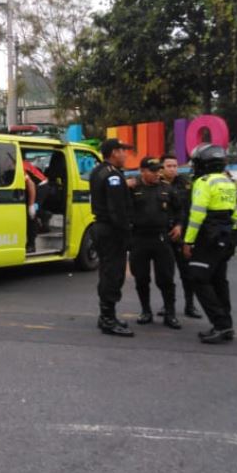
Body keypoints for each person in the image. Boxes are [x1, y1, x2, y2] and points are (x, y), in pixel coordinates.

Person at [182, 144, 237, 344]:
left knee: (197, 278)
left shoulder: (203, 182)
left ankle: (220, 325)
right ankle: (227, 325)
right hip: (226, 236)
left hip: (208, 237)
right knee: (218, 280)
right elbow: (235, 213)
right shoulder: (228, 182)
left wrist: (188, 241)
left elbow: (197, 215)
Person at [90, 138, 135, 337]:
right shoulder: (113, 176)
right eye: (122, 150)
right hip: (112, 231)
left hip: (103, 229)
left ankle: (107, 316)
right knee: (113, 275)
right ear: (114, 152)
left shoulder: (99, 171)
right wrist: (127, 233)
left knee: (107, 272)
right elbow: (117, 210)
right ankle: (108, 319)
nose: (125, 154)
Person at [130, 156, 180, 329]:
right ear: (142, 171)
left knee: (166, 278)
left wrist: (179, 225)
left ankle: (170, 313)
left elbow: (180, 210)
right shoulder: (133, 187)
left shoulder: (167, 188)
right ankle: (146, 311)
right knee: (141, 277)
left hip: (161, 238)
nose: (157, 174)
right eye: (152, 171)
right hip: (139, 238)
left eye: (158, 170)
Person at [160, 154, 200, 318]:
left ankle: (190, 305)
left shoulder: (185, 183)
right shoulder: (156, 184)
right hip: (163, 233)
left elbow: (191, 208)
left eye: (175, 166)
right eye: (169, 166)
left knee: (187, 273)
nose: (172, 169)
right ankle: (167, 305)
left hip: (183, 233)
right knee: (166, 274)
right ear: (162, 168)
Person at [25, 170, 38, 253]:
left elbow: (31, 184)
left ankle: (31, 244)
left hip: (41, 186)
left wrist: (31, 205)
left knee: (31, 215)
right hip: (31, 188)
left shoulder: (18, 167)